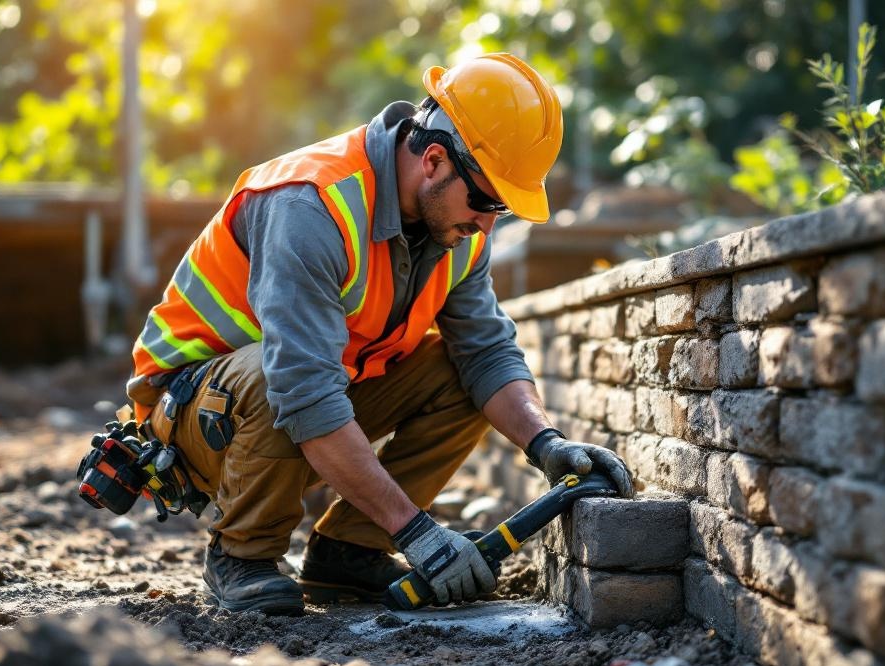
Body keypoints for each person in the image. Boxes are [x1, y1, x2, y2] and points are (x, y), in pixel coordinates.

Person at [125, 52, 634, 616]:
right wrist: (417, 532)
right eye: (489, 200)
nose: (490, 224)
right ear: (435, 161)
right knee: (279, 373)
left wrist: (547, 444)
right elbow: (303, 390)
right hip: (196, 417)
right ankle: (243, 554)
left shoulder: (456, 233)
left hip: (303, 396)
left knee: (458, 372)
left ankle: (349, 551)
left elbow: (487, 352)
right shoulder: (311, 206)